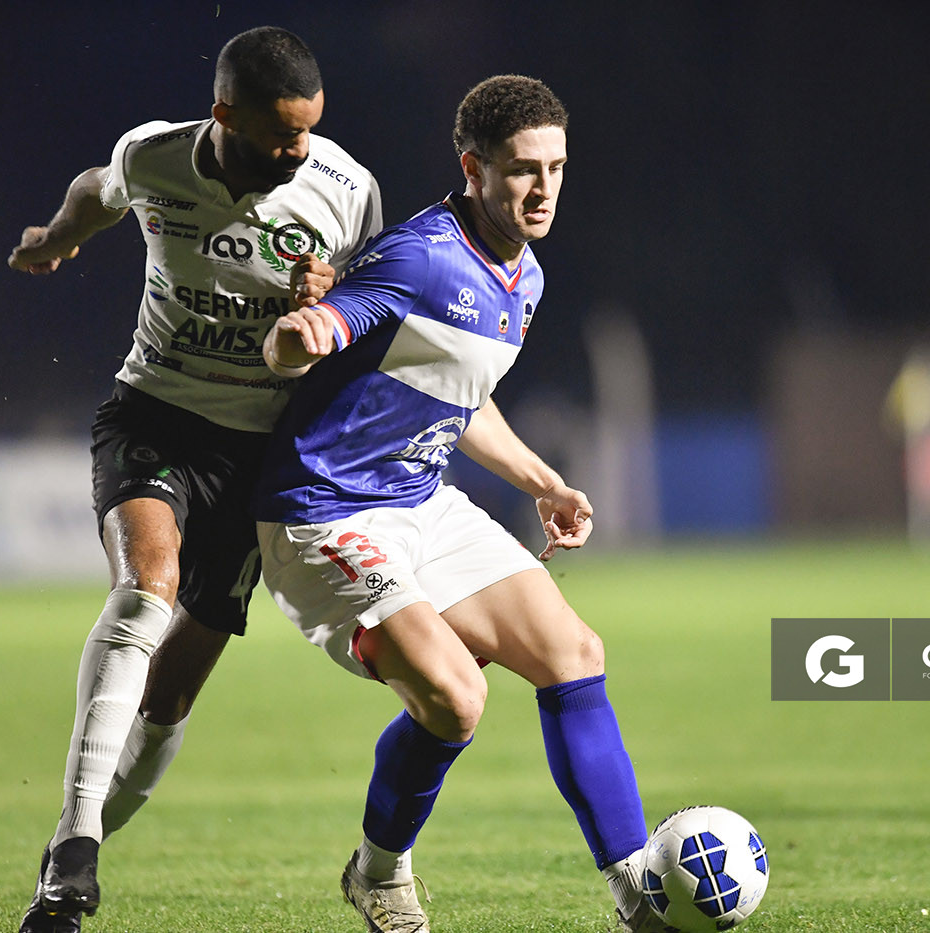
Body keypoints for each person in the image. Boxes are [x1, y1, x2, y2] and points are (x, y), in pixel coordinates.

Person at [254, 74, 670, 933]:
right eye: (523, 169)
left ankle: (638, 888)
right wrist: (300, 330)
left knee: (572, 649)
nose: (544, 187)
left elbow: (461, 393)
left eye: (556, 167)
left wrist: (544, 482)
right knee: (454, 698)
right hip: (324, 511)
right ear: (473, 168)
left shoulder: (525, 279)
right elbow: (314, 335)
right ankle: (378, 871)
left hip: (421, 502)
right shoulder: (420, 255)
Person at [5, 26, 381, 933]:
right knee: (147, 589)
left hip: (260, 454)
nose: (297, 155)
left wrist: (327, 308)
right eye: (278, 137)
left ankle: (68, 845)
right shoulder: (156, 155)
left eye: (308, 135)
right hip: (156, 415)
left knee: (168, 701)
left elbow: (371, 316)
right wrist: (58, 238)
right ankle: (75, 860)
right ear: (224, 118)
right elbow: (98, 192)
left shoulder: (346, 189)